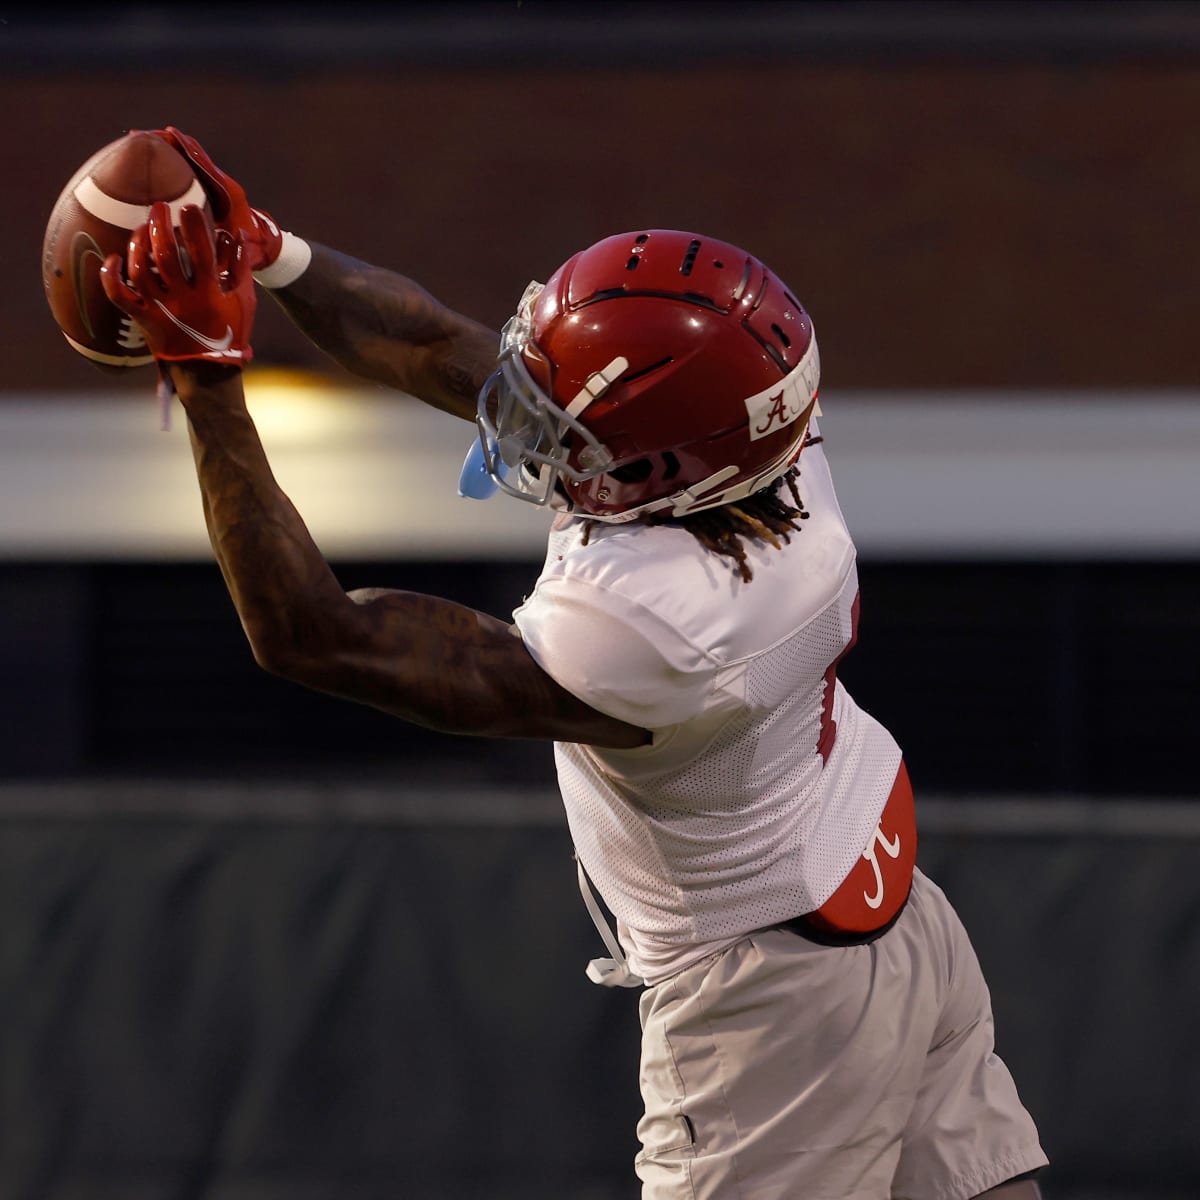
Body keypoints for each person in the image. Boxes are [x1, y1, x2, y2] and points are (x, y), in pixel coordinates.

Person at [98, 126, 1049, 1200]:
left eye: (571, 424)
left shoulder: (663, 623)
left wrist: (208, 379)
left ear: (654, 467)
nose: (530, 416)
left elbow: (318, 635)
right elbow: (458, 359)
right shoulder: (760, 429)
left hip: (772, 995)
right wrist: (273, 252)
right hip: (893, 912)